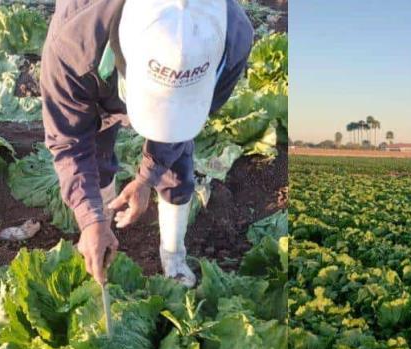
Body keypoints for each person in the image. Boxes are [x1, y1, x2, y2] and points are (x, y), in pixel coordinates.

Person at [40, 0, 254, 287]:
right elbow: (70, 141)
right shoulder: (73, 45)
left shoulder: (233, 37)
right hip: (100, 72)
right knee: (96, 149)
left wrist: (145, 179)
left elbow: (180, 128)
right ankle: (100, 226)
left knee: (175, 149)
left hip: (172, 74)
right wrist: (89, 217)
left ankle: (173, 255)